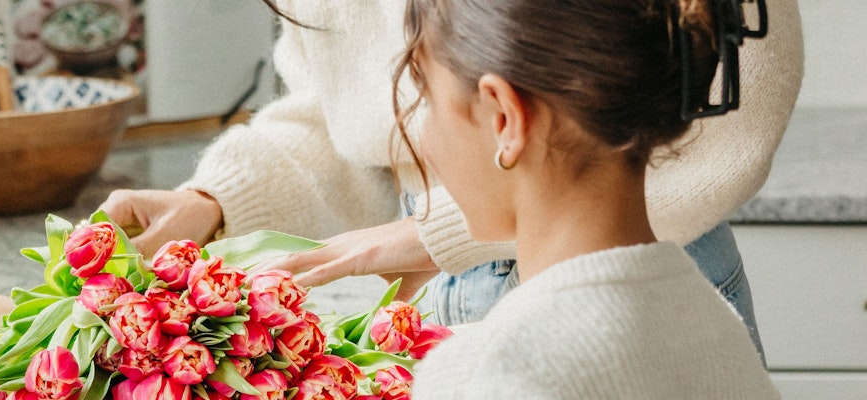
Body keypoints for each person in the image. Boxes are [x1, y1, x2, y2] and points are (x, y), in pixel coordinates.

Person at [99, 0, 802, 350]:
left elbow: (716, 121)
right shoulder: (711, 336)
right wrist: (214, 200)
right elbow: (347, 105)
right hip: (452, 282)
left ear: (504, 118)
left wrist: (434, 231)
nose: (414, 126)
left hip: (624, 253)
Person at [396, 0, 778, 397]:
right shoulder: (718, 331)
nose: (423, 141)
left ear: (504, 119)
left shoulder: (488, 372)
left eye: (429, 101)